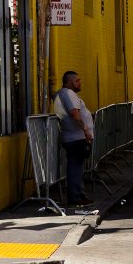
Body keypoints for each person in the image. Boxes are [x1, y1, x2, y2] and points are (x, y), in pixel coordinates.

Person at [53, 71, 94, 206]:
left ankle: (79, 195)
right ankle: (75, 198)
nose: (80, 83)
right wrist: (86, 130)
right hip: (75, 138)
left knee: (77, 167)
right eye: (77, 80)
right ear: (69, 82)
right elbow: (74, 113)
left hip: (75, 137)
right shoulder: (67, 93)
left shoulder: (65, 94)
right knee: (75, 168)